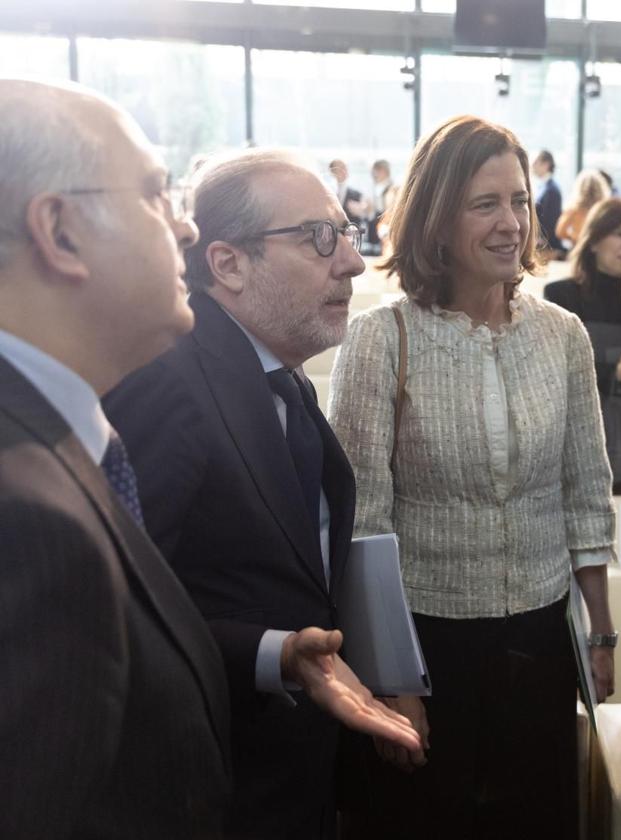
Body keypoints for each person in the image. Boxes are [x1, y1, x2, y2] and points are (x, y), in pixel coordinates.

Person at [104, 149, 424, 840]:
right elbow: (118, 609)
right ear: (228, 263)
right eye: (319, 237)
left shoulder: (282, 374)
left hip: (293, 778)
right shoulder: (170, 382)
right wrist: (271, 652)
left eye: (345, 233)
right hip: (214, 788)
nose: (353, 261)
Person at [328, 115, 616, 839]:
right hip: (427, 647)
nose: (510, 223)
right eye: (484, 204)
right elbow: (363, 525)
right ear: (437, 215)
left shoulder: (562, 335)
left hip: (543, 644)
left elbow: (585, 495)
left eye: (518, 201)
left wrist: (603, 638)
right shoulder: (381, 338)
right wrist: (393, 680)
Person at [0, 79, 230, 838]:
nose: (187, 229)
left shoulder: (58, 438)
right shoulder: (26, 518)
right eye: (158, 195)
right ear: (59, 231)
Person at [545, 198, 621, 493]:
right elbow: (555, 369)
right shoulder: (562, 295)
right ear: (594, 241)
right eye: (619, 234)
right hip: (576, 434)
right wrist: (617, 371)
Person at [556, 167, 611, 247]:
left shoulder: (573, 208)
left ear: (579, 188)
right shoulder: (603, 208)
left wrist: (573, 238)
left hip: (578, 247)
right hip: (597, 248)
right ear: (601, 187)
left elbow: (560, 231)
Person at [532, 148, 565, 258]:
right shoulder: (545, 187)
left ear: (546, 165)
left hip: (549, 247)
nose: (533, 166)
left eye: (536, 162)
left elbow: (550, 220)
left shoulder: (551, 190)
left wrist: (541, 240)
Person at [366, 158, 397, 255]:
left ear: (382, 171)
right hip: (379, 235)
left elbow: (389, 213)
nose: (373, 176)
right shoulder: (377, 189)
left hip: (387, 234)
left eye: (375, 172)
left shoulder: (393, 189)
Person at [330, 158, 369, 230]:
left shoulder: (357, 193)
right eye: (340, 168)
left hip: (351, 235)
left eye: (345, 167)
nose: (344, 170)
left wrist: (361, 210)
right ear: (332, 171)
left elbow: (366, 213)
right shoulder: (328, 192)